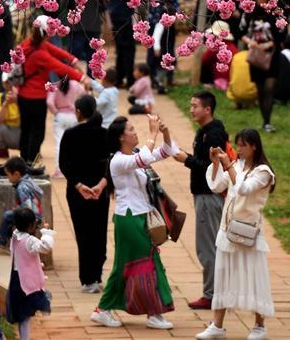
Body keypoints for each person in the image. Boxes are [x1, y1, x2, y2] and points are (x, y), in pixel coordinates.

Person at [91, 114, 177, 330]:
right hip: (128, 219)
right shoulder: (119, 161)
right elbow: (144, 159)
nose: (134, 132)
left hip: (137, 217)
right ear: (121, 138)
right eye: (130, 130)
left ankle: (102, 310)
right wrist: (152, 133)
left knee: (124, 266)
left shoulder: (135, 155)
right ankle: (154, 313)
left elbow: (165, 151)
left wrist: (164, 132)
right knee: (149, 262)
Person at [196, 129, 275, 340]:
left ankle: (260, 326)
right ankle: (217, 325)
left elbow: (244, 188)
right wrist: (215, 163)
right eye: (237, 145)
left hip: (249, 233)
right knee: (222, 276)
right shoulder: (237, 165)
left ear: (254, 146)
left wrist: (228, 164)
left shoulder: (264, 172)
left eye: (242, 145)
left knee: (254, 277)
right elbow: (215, 185)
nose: (238, 149)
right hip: (227, 230)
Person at [173, 92, 228, 311]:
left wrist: (187, 160)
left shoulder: (213, 135)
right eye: (190, 105)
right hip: (203, 195)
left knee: (207, 247)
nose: (191, 109)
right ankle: (217, 291)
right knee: (211, 245)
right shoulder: (204, 131)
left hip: (208, 195)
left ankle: (211, 294)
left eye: (195, 106)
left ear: (208, 109)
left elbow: (211, 167)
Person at [59, 95, 110, 293]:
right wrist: (102, 185)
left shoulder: (71, 134)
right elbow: (109, 163)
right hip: (100, 191)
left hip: (78, 192)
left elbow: (64, 164)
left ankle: (88, 279)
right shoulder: (104, 134)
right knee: (99, 232)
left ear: (78, 111)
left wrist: (79, 185)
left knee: (84, 234)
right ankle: (96, 275)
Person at [17, 16, 85, 164]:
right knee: (37, 133)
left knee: (25, 129)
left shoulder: (29, 44)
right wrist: (81, 78)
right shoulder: (40, 53)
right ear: (47, 33)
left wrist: (73, 60)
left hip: (22, 95)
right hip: (36, 97)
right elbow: (58, 66)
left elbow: (55, 51)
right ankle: (31, 162)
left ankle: (24, 160)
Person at [6, 206, 54, 340]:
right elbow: (46, 246)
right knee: (27, 314)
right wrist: (46, 232)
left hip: (16, 280)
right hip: (27, 284)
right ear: (31, 226)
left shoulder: (14, 235)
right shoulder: (30, 241)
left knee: (23, 317)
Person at [0, 156, 43, 244]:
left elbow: (27, 208)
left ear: (16, 174)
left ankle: (2, 239)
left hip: (32, 217)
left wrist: (17, 210)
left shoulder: (22, 188)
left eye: (8, 175)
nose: (8, 179)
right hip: (38, 214)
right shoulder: (29, 180)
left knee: (7, 215)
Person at [244, 21, 282, 134]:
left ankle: (267, 122)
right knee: (260, 90)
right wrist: (250, 42)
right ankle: (265, 121)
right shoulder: (249, 14)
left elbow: (282, 33)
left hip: (273, 56)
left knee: (269, 88)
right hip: (256, 56)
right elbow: (241, 31)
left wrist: (271, 43)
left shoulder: (276, 13)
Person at [107, 0, 138, 88]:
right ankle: (129, 79)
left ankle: (119, 79)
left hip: (117, 16)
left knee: (121, 50)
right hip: (123, 18)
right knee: (128, 49)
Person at [46, 74, 80, 177]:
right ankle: (73, 168)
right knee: (73, 144)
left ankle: (59, 170)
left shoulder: (54, 86)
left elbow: (49, 102)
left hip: (60, 116)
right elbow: (85, 92)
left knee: (59, 144)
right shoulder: (75, 84)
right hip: (73, 116)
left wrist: (56, 112)